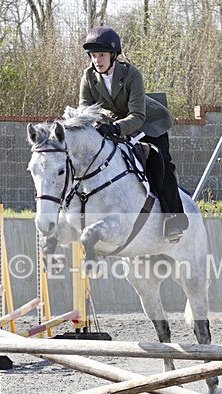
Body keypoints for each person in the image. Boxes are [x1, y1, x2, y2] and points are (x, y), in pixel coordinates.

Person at [79, 25, 188, 242]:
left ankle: (174, 219)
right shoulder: (89, 76)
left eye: (101, 55)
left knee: (160, 162)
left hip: (149, 124)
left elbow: (137, 116)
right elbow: (84, 110)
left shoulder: (131, 74)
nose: (97, 60)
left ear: (113, 55)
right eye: (93, 55)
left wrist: (115, 128)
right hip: (113, 123)